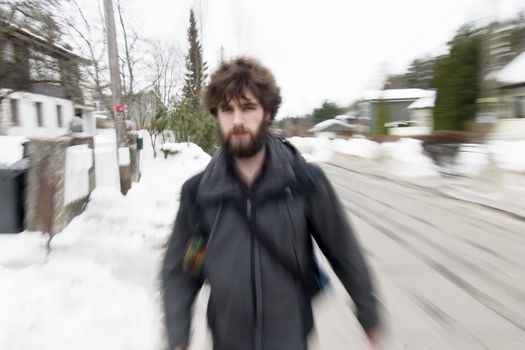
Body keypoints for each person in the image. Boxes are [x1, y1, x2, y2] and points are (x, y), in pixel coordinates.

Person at [162, 57, 380, 350]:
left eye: (248, 107)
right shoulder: (200, 193)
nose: (237, 120)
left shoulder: (304, 182)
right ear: (217, 115)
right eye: (227, 109)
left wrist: (368, 314)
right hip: (228, 340)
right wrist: (178, 334)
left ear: (267, 113)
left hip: (290, 337)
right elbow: (184, 268)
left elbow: (344, 251)